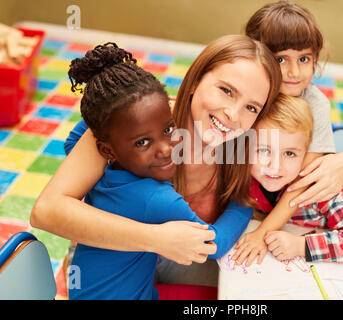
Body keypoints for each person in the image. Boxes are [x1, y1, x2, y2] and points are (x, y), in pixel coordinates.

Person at [30, 34, 282, 287]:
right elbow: (45, 211)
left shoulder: (242, 147)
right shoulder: (138, 119)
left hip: (174, 262)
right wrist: (154, 237)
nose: (233, 114)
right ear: (195, 81)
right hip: (111, 265)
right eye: (226, 91)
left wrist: (325, 163)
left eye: (251, 107)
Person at [232, 94, 343, 266]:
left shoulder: (322, 188)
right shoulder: (245, 176)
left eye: (289, 153)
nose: (275, 165)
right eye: (264, 151)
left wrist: (300, 246)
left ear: (307, 153)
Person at [245, 0, 343, 208]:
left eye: (303, 59)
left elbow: (299, 185)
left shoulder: (316, 104)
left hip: (294, 209)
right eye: (281, 60)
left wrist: (262, 233)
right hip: (249, 204)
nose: (294, 72)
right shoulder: (247, 94)